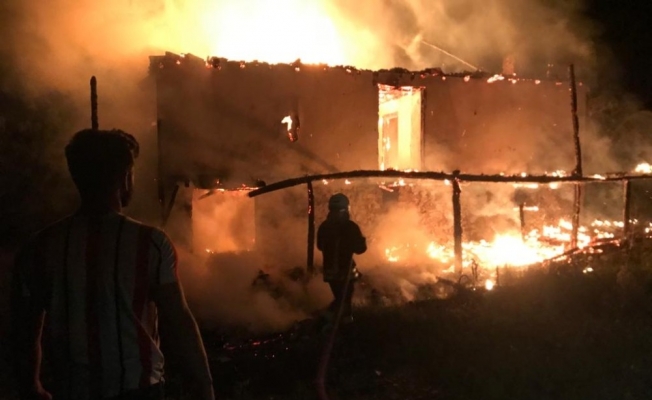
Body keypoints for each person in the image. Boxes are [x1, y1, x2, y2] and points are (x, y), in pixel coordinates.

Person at [10, 129, 215, 400]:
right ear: (125, 177)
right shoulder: (150, 243)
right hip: (140, 390)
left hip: (73, 390)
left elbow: (24, 331)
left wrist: (32, 386)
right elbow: (179, 319)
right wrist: (204, 386)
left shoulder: (40, 247)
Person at [316, 193, 367, 321]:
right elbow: (360, 249)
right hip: (345, 271)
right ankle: (329, 319)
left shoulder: (324, 226)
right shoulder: (351, 227)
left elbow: (320, 246)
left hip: (330, 272)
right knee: (344, 298)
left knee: (342, 298)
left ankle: (342, 320)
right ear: (347, 208)